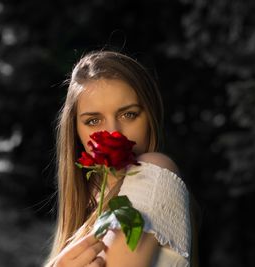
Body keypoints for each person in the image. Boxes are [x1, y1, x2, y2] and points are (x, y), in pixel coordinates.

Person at [44, 50, 199, 267]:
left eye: (129, 115)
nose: (114, 132)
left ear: (150, 118)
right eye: (93, 121)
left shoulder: (153, 172)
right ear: (75, 132)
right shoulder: (88, 207)